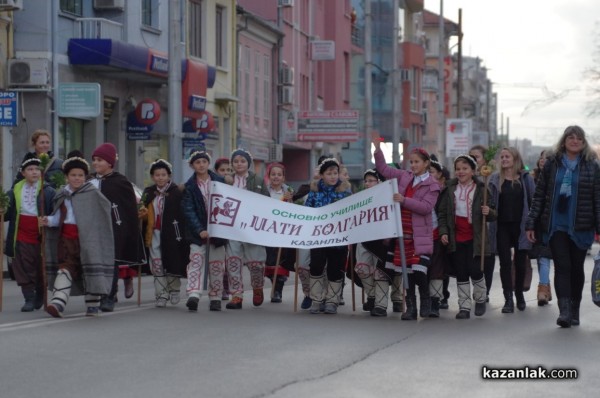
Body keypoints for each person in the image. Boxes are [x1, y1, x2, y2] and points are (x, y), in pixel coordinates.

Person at [526, 125, 600, 328]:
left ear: (583, 143)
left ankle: (575, 309)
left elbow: (597, 198)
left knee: (576, 268)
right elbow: (540, 195)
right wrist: (531, 222)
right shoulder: (552, 164)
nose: (574, 141)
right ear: (564, 140)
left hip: (581, 226)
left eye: (578, 138)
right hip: (555, 225)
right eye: (571, 137)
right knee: (562, 266)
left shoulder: (592, 166)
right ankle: (564, 312)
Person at [372, 131, 440, 320]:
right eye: (411, 162)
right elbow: (384, 169)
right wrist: (377, 150)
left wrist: (404, 200)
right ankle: (410, 307)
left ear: (426, 163)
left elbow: (426, 208)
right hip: (402, 232)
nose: (413, 165)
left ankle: (425, 299)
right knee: (406, 273)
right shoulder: (404, 176)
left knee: (419, 271)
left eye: (417, 162)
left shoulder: (433, 185)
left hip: (420, 235)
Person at [42, 151, 114, 317]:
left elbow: (103, 213)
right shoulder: (62, 194)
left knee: (89, 270)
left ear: (85, 176)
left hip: (88, 241)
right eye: (73, 175)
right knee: (64, 269)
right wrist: (48, 220)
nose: (77, 178)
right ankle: (58, 303)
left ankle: (92, 304)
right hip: (66, 240)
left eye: (80, 175)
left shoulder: (93, 193)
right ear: (67, 176)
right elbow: (59, 218)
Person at [438, 155, 496, 319]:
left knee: (475, 269)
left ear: (473, 171)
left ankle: (480, 298)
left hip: (475, 237)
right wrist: (444, 232)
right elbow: (442, 214)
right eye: (458, 169)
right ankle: (464, 306)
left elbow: (493, 214)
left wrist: (488, 212)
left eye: (465, 168)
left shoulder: (482, 189)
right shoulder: (450, 189)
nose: (461, 172)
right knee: (461, 271)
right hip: (456, 236)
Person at [90, 143, 145, 312]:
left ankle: (109, 296)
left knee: (111, 262)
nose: (95, 163)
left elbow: (127, 208)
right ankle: (100, 293)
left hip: (114, 228)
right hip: (94, 228)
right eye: (94, 160)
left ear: (109, 162)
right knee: (97, 262)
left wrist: (128, 229)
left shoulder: (121, 182)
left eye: (99, 160)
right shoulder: (90, 181)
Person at [4, 153, 55, 311]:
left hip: (40, 235)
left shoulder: (48, 191)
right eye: (30, 169)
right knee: (21, 266)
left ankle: (39, 293)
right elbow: (7, 214)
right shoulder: (14, 190)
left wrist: (49, 220)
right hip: (20, 234)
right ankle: (28, 298)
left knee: (39, 268)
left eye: (37, 169)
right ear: (23, 172)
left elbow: (55, 213)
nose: (34, 172)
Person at [488, 147, 535, 313]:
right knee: (505, 263)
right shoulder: (494, 179)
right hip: (502, 227)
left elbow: (533, 201)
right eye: (502, 157)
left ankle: (520, 295)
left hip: (521, 227)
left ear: (515, 159)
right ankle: (508, 298)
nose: (504, 159)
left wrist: (533, 225)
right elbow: (490, 202)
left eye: (507, 156)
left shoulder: (525, 179)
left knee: (521, 263)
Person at [139, 159, 189, 307]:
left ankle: (174, 290)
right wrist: (140, 213)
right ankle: (161, 294)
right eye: (157, 175)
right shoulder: (148, 192)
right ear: (152, 176)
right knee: (156, 262)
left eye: (163, 174)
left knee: (172, 260)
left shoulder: (176, 192)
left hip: (172, 233)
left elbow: (182, 213)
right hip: (153, 232)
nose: (160, 177)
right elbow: (140, 208)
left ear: (169, 176)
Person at [182, 151, 228, 312]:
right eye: (197, 162)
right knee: (196, 262)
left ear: (208, 163)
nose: (201, 165)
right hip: (198, 233)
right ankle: (193, 294)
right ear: (192, 166)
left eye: (204, 161)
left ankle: (215, 296)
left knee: (216, 265)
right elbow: (188, 210)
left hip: (218, 232)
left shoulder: (220, 182)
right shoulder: (189, 186)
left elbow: (228, 205)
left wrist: (221, 227)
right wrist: (200, 229)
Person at [305, 157, 352, 314]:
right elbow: (306, 212)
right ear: (322, 175)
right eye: (329, 173)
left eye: (335, 173)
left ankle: (332, 300)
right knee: (316, 267)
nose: (333, 176)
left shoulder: (345, 192)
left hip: (338, 239)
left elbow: (352, 213)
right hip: (318, 238)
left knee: (335, 268)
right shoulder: (314, 191)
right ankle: (317, 300)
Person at [225, 149, 269, 309]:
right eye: (236, 161)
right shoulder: (226, 181)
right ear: (232, 164)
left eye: (242, 161)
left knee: (256, 262)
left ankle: (257, 289)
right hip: (232, 227)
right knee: (233, 262)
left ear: (248, 163)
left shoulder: (257, 180)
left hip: (252, 227)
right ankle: (236, 296)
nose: (239, 164)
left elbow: (267, 202)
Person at [264, 162, 296, 303]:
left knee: (282, 260)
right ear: (269, 176)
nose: (276, 177)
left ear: (283, 177)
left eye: (279, 174)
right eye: (273, 174)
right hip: (268, 230)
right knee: (270, 260)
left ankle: (278, 290)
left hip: (284, 232)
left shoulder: (288, 192)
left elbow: (294, 211)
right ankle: (273, 283)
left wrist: (290, 202)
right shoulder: (264, 191)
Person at [469, 144, 496, 302]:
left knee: (488, 259)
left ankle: (485, 291)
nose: (473, 160)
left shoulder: (491, 177)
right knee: (474, 260)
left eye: (476, 157)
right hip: (472, 226)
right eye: (471, 156)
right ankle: (477, 288)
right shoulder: (466, 176)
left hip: (488, 225)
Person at [530, 150, 553, 306]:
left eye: (547, 158)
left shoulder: (556, 178)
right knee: (540, 256)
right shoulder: (532, 178)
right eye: (541, 157)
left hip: (549, 223)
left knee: (544, 256)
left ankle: (543, 290)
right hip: (533, 223)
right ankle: (545, 287)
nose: (543, 160)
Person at [428, 156, 450, 317]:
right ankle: (423, 300)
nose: (429, 174)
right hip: (421, 235)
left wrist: (444, 232)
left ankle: (436, 300)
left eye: (432, 171)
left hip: (437, 235)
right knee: (421, 270)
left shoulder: (445, 191)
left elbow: (444, 214)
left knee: (437, 269)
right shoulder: (417, 187)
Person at [214, 157, 233, 301]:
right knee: (219, 259)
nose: (226, 173)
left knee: (229, 258)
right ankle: (219, 286)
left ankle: (227, 286)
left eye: (229, 170)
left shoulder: (236, 185)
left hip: (233, 227)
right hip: (217, 226)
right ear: (216, 171)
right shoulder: (213, 185)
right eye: (222, 170)